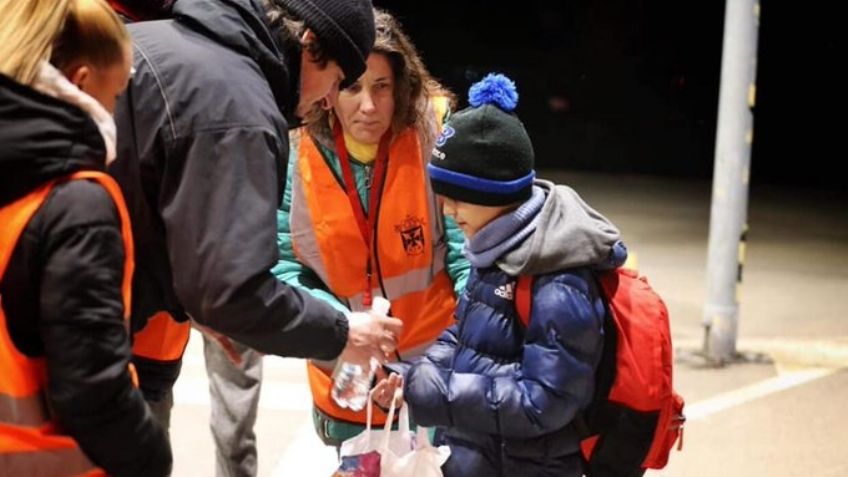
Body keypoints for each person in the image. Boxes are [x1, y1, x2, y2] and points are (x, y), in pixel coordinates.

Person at [109, 0, 403, 441]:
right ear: (310, 43)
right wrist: (343, 331)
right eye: (338, 81)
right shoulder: (236, 106)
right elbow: (229, 292)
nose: (327, 100)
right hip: (59, 340)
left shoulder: (163, 43)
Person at [373, 73, 628, 476]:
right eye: (443, 198)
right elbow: (465, 338)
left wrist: (435, 393)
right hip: (481, 456)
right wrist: (411, 378)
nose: (448, 212)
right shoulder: (496, 248)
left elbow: (544, 399)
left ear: (498, 196)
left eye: (458, 200)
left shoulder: (558, 276)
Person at [267, 8, 471, 454]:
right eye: (353, 87)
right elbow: (282, 265)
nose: (369, 106)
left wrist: (450, 357)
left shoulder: (434, 135)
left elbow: (467, 253)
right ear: (329, 86)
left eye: (382, 86)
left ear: (402, 86)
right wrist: (344, 328)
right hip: (348, 368)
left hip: (433, 367)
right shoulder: (295, 149)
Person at [0, 0, 171, 475]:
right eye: (116, 95)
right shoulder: (78, 205)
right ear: (79, 83)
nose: (116, 112)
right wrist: (152, 458)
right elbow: (92, 391)